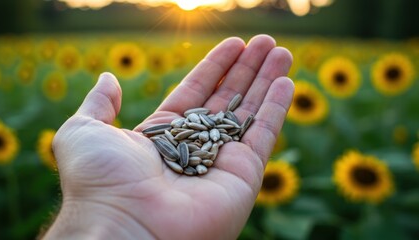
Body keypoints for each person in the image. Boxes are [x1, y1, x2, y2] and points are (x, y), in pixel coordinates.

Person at [42, 34, 294, 239]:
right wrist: (110, 209)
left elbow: (206, 138)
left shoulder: (201, 138)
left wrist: (108, 216)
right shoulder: (189, 143)